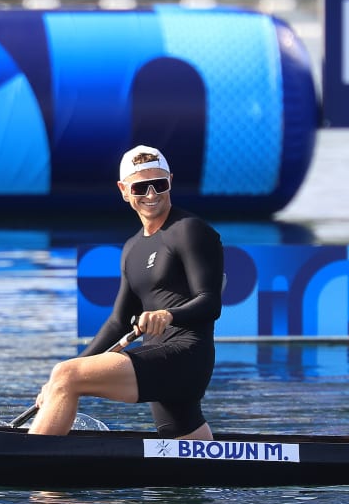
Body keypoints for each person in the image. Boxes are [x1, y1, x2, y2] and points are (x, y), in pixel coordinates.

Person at [28, 144, 224, 438]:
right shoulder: (132, 248)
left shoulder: (189, 230)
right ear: (123, 190)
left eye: (159, 184)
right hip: (161, 358)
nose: (151, 195)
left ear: (170, 180)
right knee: (190, 451)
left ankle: (33, 469)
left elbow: (210, 303)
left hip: (186, 357)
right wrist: (64, 374)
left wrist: (168, 315)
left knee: (67, 376)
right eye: (140, 187)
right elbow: (119, 322)